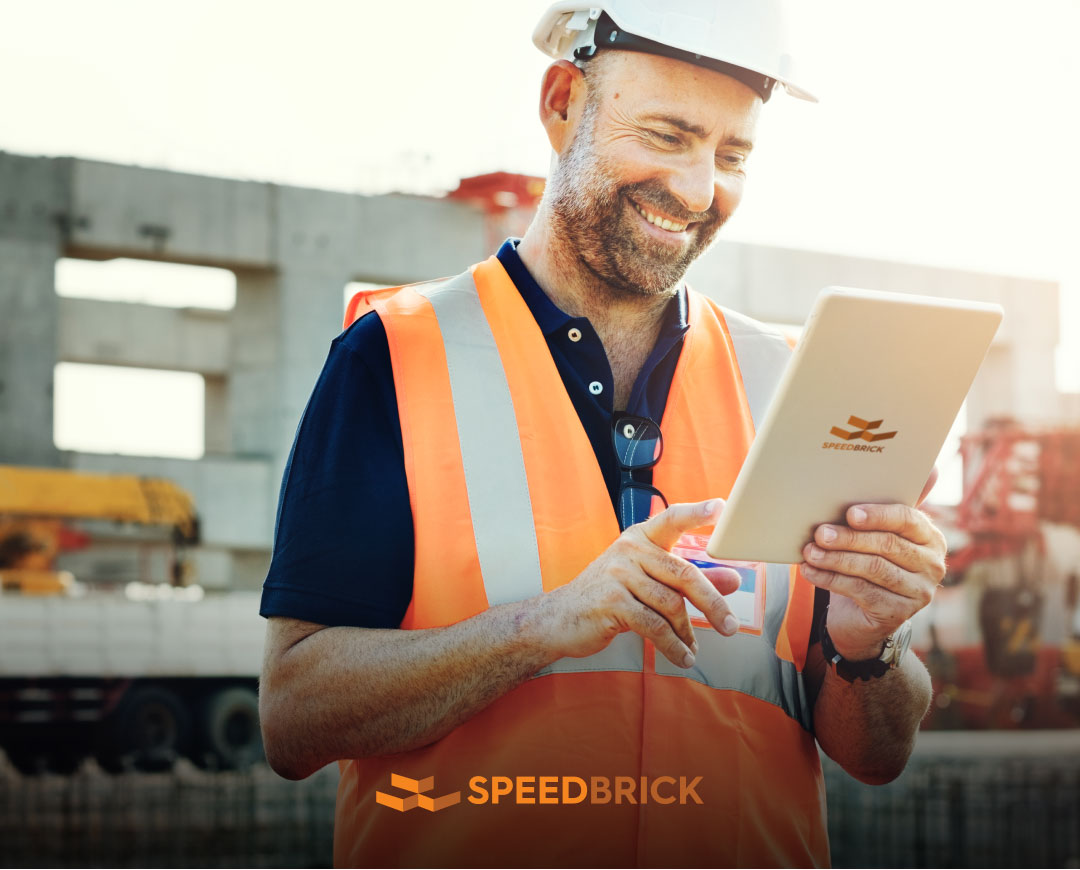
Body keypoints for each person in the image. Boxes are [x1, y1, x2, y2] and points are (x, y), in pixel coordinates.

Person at [258, 2, 946, 866]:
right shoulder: (394, 357)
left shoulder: (789, 387)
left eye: (732, 155)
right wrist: (545, 624)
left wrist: (866, 641)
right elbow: (293, 718)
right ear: (561, 104)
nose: (699, 192)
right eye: (666, 135)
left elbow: (876, 755)